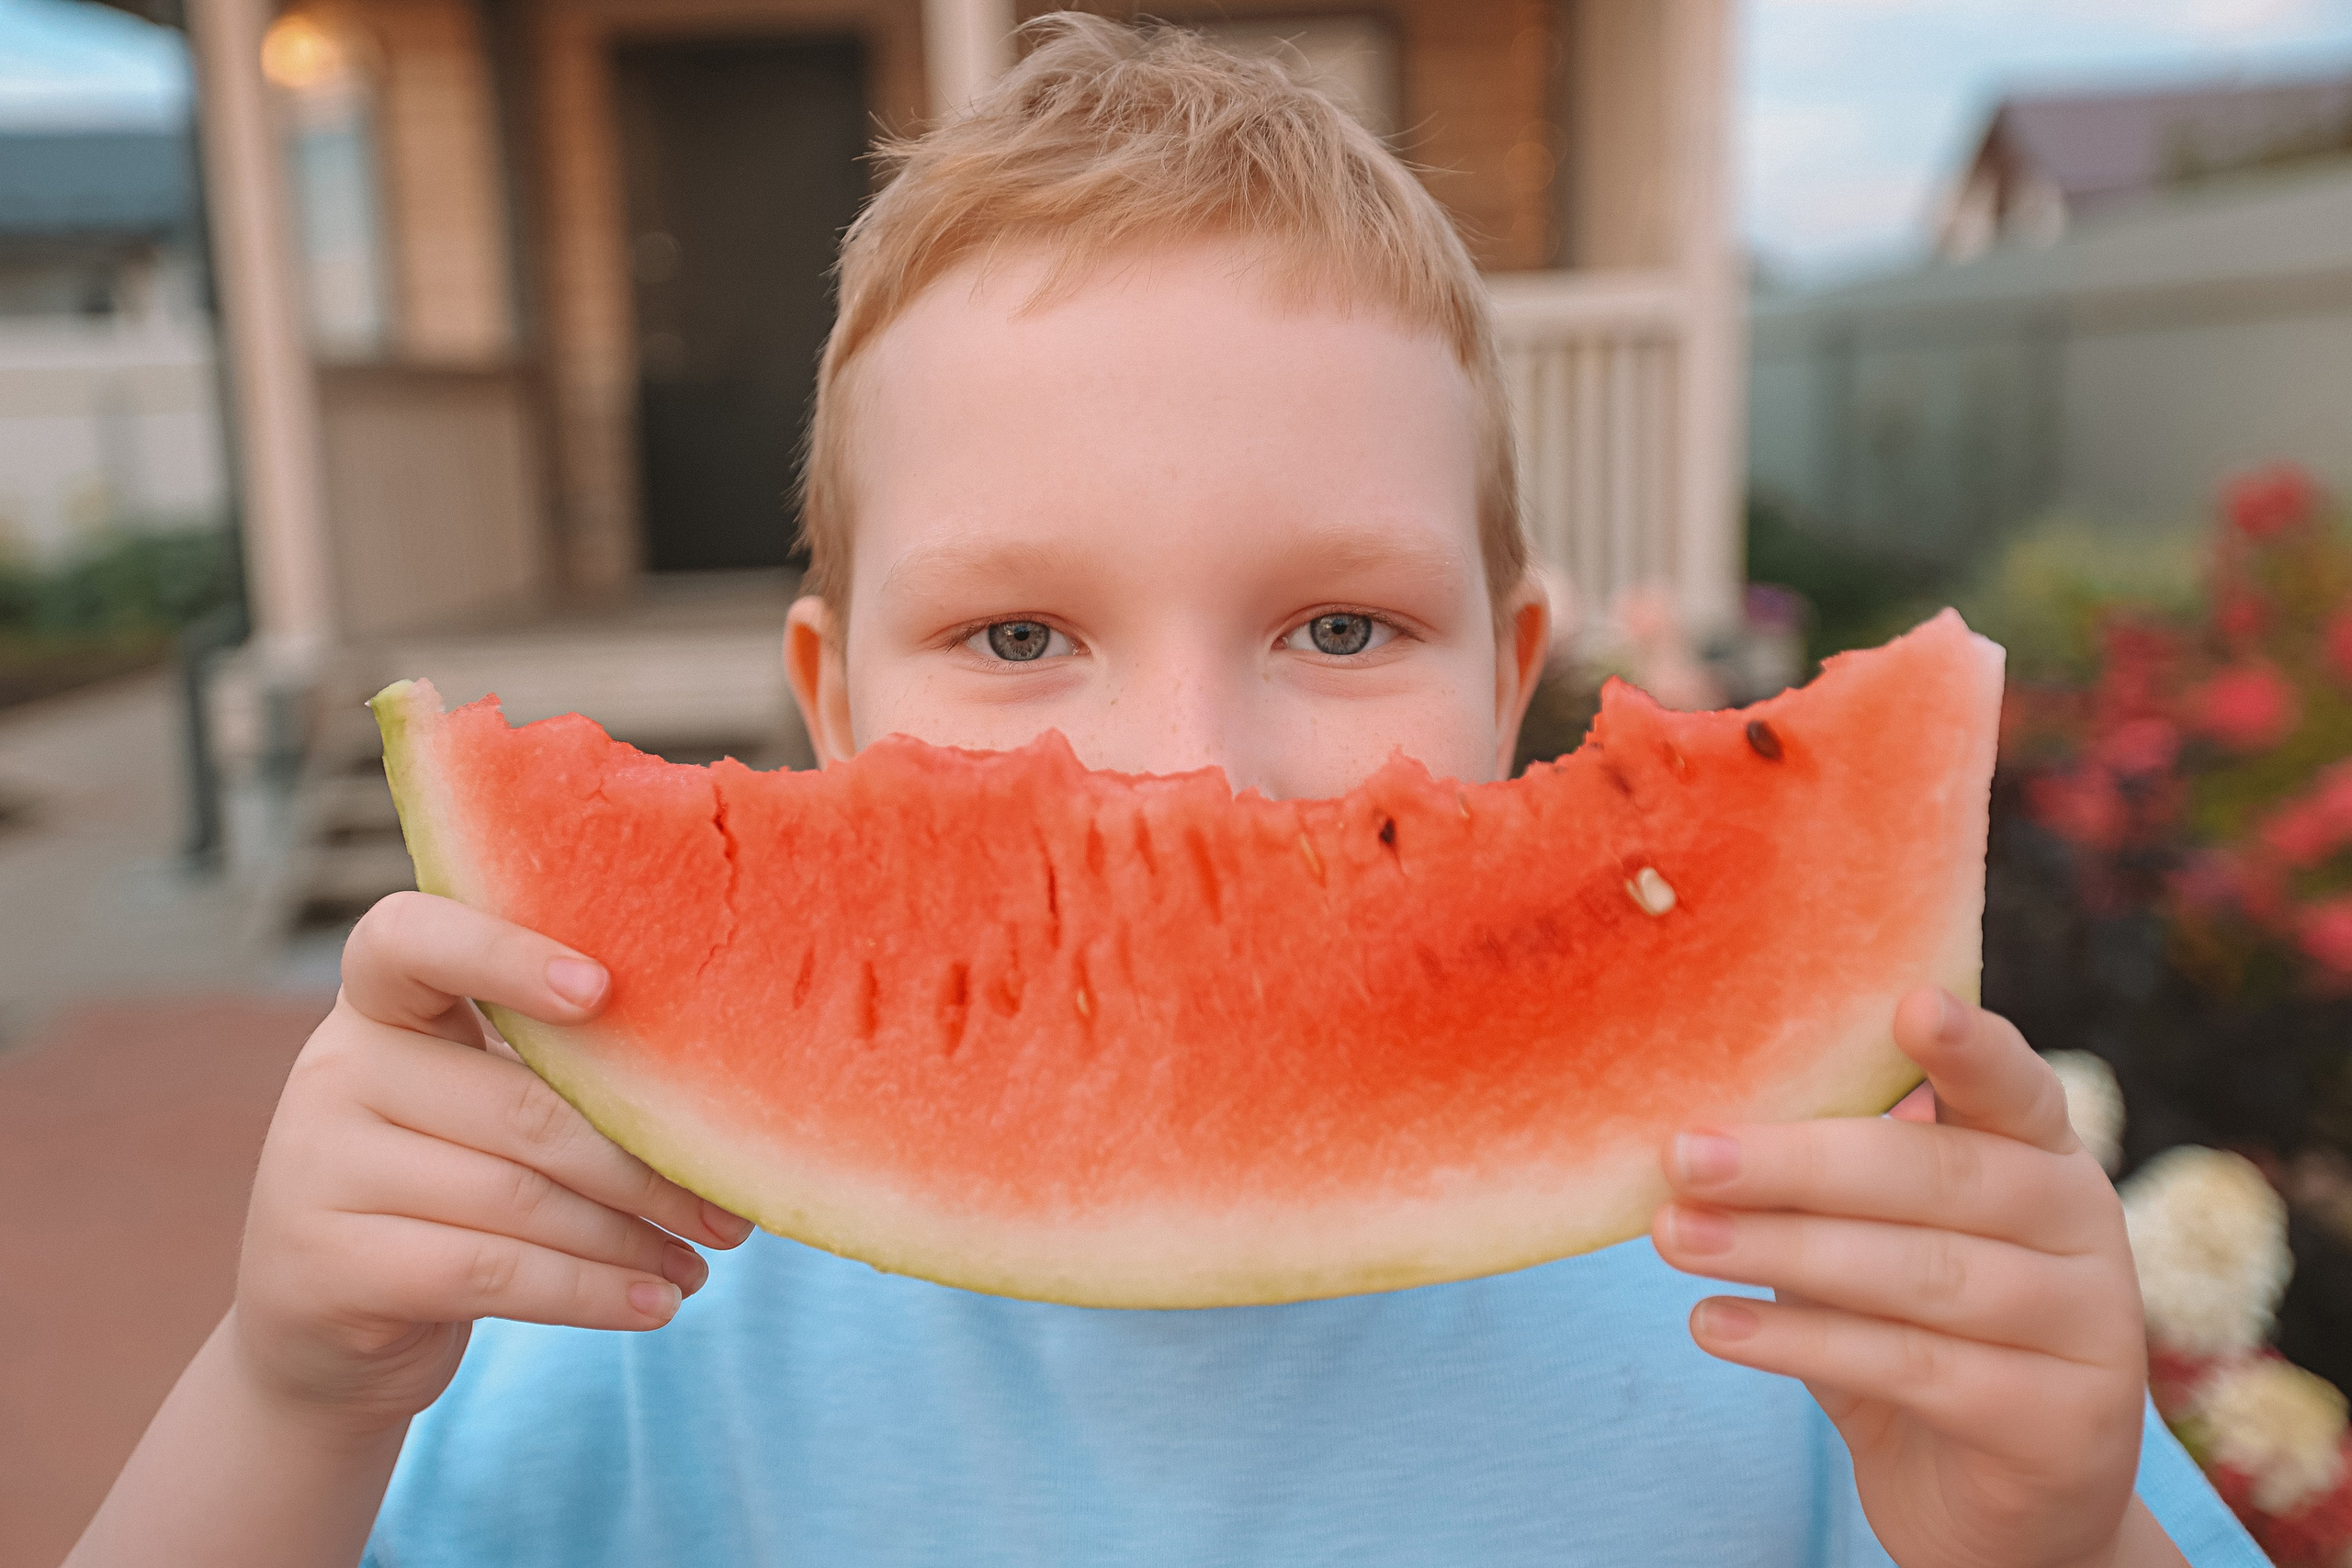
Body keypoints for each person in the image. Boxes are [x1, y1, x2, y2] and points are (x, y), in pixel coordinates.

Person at [72, 17, 2264, 1566]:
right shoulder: (631, 1288)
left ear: (1515, 681)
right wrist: (295, 1394)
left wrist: (2055, 1541)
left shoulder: (1809, 1301)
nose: (1177, 773)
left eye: (1335, 627)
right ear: (828, 708)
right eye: (1019, 638)